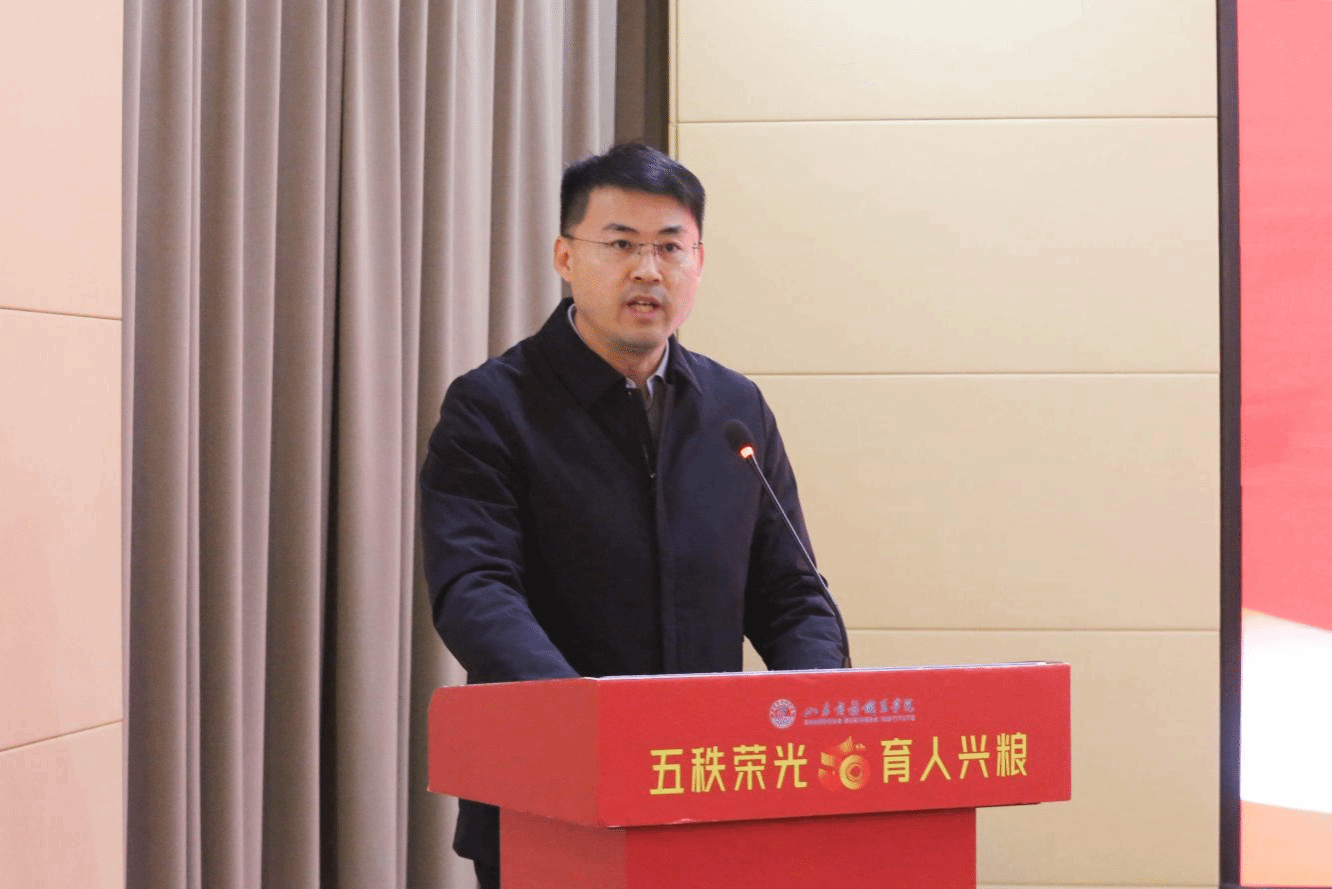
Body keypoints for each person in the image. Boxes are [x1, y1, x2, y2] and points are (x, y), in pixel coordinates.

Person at [419, 142, 849, 888]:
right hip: (547, 798)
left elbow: (791, 594)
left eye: (670, 247)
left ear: (699, 262)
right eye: (621, 245)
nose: (649, 270)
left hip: (710, 792)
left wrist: (817, 712)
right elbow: (475, 590)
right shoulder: (492, 407)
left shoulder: (735, 410)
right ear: (565, 255)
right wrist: (582, 721)